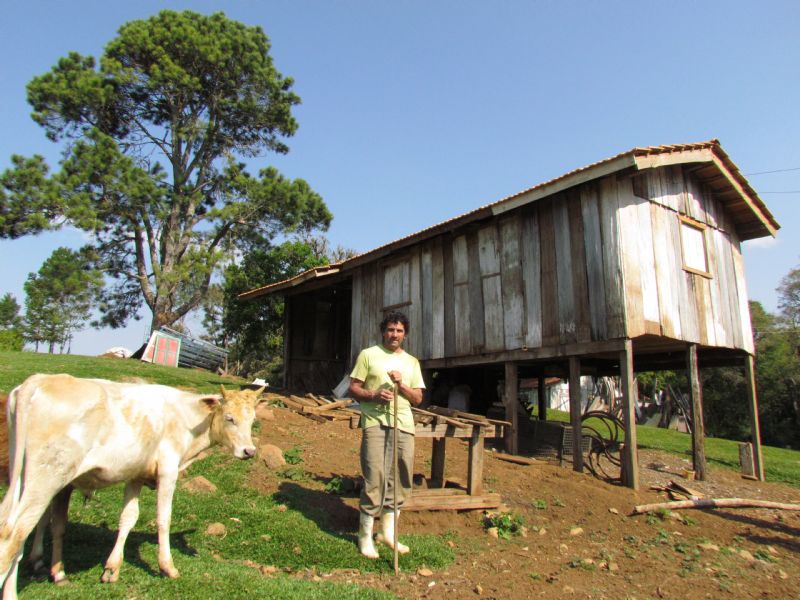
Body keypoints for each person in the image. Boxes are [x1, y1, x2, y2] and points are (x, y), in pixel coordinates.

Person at [348, 310, 425, 559]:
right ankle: (364, 536)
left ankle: (387, 534)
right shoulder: (368, 355)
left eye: (399, 330)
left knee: (401, 475)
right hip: (375, 422)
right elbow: (353, 388)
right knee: (375, 474)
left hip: (403, 424)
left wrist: (401, 385)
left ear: (405, 334)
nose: (394, 334)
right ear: (383, 332)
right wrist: (373, 395)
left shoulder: (412, 362)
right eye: (391, 330)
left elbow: (418, 398)